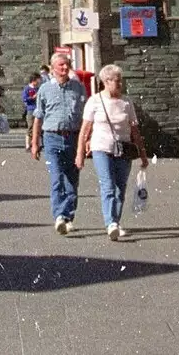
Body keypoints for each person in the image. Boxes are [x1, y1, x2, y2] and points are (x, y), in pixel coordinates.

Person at [74, 64, 148, 240]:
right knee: (108, 186)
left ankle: (115, 220)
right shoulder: (95, 101)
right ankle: (111, 223)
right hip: (101, 148)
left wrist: (143, 154)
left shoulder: (126, 102)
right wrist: (79, 154)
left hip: (123, 149)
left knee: (120, 188)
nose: (120, 84)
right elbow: (85, 129)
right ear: (106, 82)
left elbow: (135, 130)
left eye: (120, 80)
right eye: (117, 81)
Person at [29, 53, 87, 235]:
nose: (64, 68)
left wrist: (86, 140)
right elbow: (38, 117)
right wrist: (35, 143)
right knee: (57, 178)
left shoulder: (78, 88)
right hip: (52, 137)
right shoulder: (45, 89)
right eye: (61, 65)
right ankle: (59, 216)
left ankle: (68, 216)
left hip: (73, 137)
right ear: (53, 68)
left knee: (72, 180)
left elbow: (86, 118)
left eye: (67, 65)